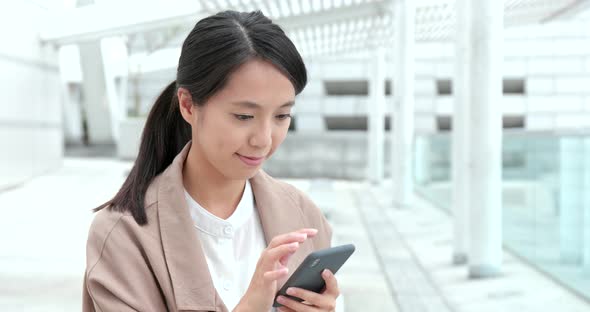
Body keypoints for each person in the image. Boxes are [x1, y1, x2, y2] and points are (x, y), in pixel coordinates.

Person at [82, 10, 338, 312]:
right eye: (244, 116)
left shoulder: (303, 215)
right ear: (188, 105)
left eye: (282, 116)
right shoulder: (123, 234)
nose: (264, 139)